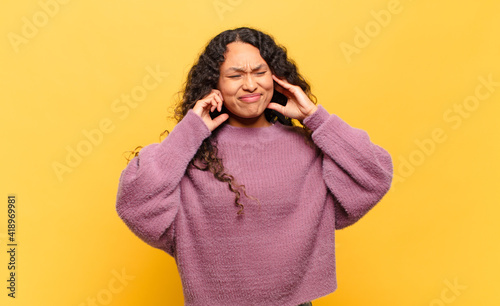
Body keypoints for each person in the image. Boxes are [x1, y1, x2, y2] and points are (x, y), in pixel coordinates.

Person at [115, 26, 393, 306]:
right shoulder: (192, 151)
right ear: (215, 85)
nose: (250, 85)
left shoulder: (308, 146)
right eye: (235, 76)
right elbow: (134, 203)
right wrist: (190, 131)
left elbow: (376, 174)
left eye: (259, 73)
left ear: (277, 79)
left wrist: (315, 117)